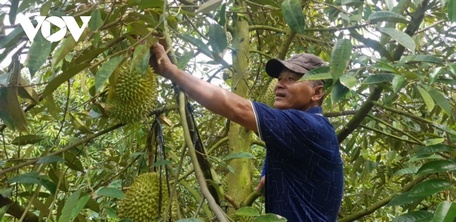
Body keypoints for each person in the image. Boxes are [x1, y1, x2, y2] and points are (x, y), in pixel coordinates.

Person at [149, 43, 344, 221]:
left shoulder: (309, 126)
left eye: (291, 79)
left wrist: (171, 71)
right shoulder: (295, 135)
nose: (279, 84)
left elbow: (238, 109)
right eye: (279, 79)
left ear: (317, 93)